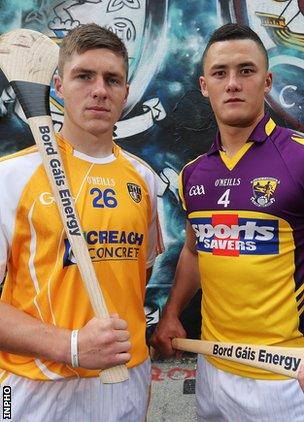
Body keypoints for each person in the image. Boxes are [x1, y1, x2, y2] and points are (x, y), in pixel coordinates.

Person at [0, 23, 163, 421]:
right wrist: (70, 345)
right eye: (84, 76)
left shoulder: (143, 178)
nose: (99, 90)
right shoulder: (11, 176)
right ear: (57, 84)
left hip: (125, 379)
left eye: (113, 79)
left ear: (126, 92)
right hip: (36, 386)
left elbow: (139, 276)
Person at [151, 23, 304, 421]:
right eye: (220, 73)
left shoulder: (300, 158)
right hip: (212, 368)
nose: (232, 83)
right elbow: (194, 250)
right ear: (205, 86)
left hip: (286, 375)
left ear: (266, 81)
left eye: (246, 71)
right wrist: (170, 314)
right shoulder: (193, 175)